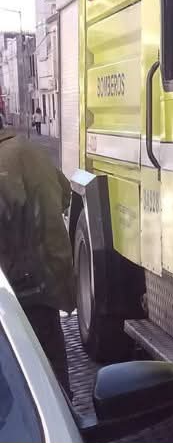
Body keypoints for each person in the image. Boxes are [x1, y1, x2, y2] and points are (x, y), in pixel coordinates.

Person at [0, 115, 74, 393]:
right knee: (54, 372)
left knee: (24, 381)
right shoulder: (32, 151)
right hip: (50, 282)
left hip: (16, 293)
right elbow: (65, 194)